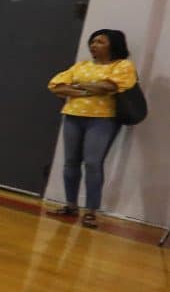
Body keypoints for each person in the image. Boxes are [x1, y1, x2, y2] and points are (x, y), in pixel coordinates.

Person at [46, 28, 137, 230]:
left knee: (93, 163)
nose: (94, 45)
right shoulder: (82, 65)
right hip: (73, 116)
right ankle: (70, 205)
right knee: (70, 162)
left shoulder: (123, 65)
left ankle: (91, 211)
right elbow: (55, 86)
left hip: (103, 119)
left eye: (101, 42)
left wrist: (78, 88)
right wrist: (92, 88)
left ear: (114, 45)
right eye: (93, 41)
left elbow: (109, 86)